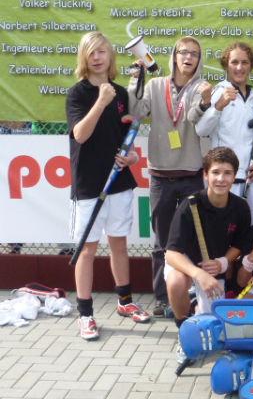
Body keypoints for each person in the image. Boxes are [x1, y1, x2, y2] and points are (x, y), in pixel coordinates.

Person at [66, 32, 150, 341]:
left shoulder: (120, 92)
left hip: (119, 181)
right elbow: (80, 134)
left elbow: (124, 136)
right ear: (84, 57)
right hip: (89, 184)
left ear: (110, 56)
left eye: (102, 51)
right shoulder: (78, 94)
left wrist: (131, 156)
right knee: (87, 249)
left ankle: (125, 302)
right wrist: (101, 102)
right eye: (91, 52)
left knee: (119, 243)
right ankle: (85, 314)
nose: (97, 57)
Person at [128, 36, 213, 317]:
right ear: (174, 56)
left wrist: (205, 102)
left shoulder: (202, 87)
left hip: (191, 174)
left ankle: (193, 295)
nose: (188, 57)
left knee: (194, 237)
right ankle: (162, 298)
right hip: (160, 175)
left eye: (194, 53)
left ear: (199, 60)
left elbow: (192, 118)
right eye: (183, 52)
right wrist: (135, 80)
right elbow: (136, 110)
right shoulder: (155, 85)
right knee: (162, 240)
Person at [164, 147, 251, 362]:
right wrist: (198, 274)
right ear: (205, 174)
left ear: (235, 176)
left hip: (215, 269)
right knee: (176, 282)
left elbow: (239, 245)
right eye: (215, 172)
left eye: (227, 173)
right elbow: (171, 254)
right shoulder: (189, 205)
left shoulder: (241, 207)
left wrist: (223, 262)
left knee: (214, 329)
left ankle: (197, 304)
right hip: (187, 265)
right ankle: (184, 332)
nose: (221, 179)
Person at [196, 42, 253, 224]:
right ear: (226, 65)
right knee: (223, 227)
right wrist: (218, 107)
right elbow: (201, 130)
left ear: (251, 65)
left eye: (244, 62)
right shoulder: (217, 93)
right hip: (224, 178)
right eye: (234, 62)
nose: (239, 68)